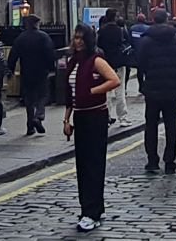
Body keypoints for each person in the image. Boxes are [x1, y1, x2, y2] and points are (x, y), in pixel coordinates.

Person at [62, 24, 121, 233]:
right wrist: (66, 120)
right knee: (83, 165)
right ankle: (91, 207)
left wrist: (93, 90)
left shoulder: (96, 60)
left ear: (88, 40)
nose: (77, 41)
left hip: (96, 115)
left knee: (94, 165)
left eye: (81, 38)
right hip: (80, 116)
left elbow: (114, 80)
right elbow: (70, 94)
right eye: (75, 38)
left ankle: (91, 213)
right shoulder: (73, 62)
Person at [133, 9, 176, 174]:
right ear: (166, 20)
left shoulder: (146, 41)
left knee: (151, 125)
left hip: (152, 89)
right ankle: (170, 161)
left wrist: (143, 84)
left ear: (153, 20)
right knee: (171, 125)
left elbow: (140, 64)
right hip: (173, 90)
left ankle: (152, 161)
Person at [8, 14, 56, 136]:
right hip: (41, 72)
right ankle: (38, 115)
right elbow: (50, 54)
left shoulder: (20, 38)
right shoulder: (44, 37)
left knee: (29, 99)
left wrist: (10, 70)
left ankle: (30, 126)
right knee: (43, 95)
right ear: (36, 24)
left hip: (27, 72)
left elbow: (13, 55)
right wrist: (52, 68)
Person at [95, 12, 131, 125]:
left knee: (107, 92)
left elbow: (98, 46)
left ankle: (107, 117)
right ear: (114, 17)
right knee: (120, 91)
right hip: (119, 62)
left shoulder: (101, 31)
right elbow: (125, 43)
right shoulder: (119, 30)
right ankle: (123, 118)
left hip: (105, 64)